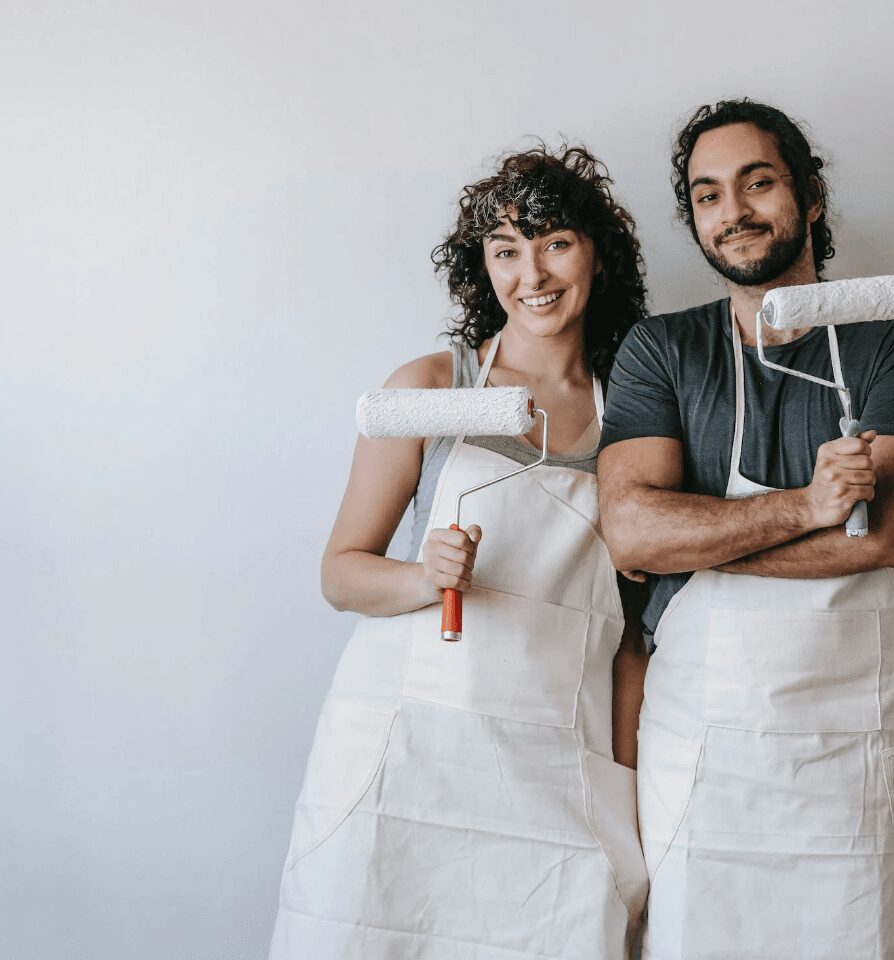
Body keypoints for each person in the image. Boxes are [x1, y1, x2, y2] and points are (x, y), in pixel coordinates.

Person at [269, 144, 651, 960]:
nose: (532, 274)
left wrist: (626, 790)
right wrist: (421, 576)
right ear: (482, 267)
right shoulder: (429, 390)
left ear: (596, 253)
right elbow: (340, 571)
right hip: (407, 765)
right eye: (505, 250)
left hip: (555, 772)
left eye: (555, 243)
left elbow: (633, 637)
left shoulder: (637, 413)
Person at [597, 99, 894, 959]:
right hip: (700, 743)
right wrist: (805, 506)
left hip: (843, 752)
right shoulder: (662, 349)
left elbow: (879, 539)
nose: (736, 211)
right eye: (709, 194)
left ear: (811, 194)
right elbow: (633, 533)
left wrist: (706, 542)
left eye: (758, 182)